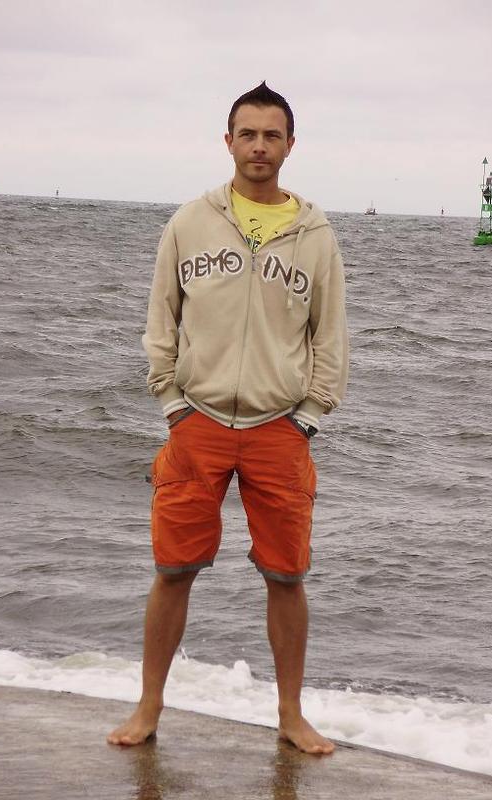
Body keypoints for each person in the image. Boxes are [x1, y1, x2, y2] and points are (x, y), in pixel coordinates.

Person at [108, 81, 348, 755]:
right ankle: (148, 706)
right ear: (229, 141)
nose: (259, 147)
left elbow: (331, 339)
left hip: (280, 427)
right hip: (199, 422)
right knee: (173, 569)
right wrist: (173, 405)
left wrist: (308, 418)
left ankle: (291, 714)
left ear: (290, 145)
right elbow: (161, 321)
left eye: (272, 135)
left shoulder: (316, 235)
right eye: (248, 134)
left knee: (287, 577)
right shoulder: (190, 222)